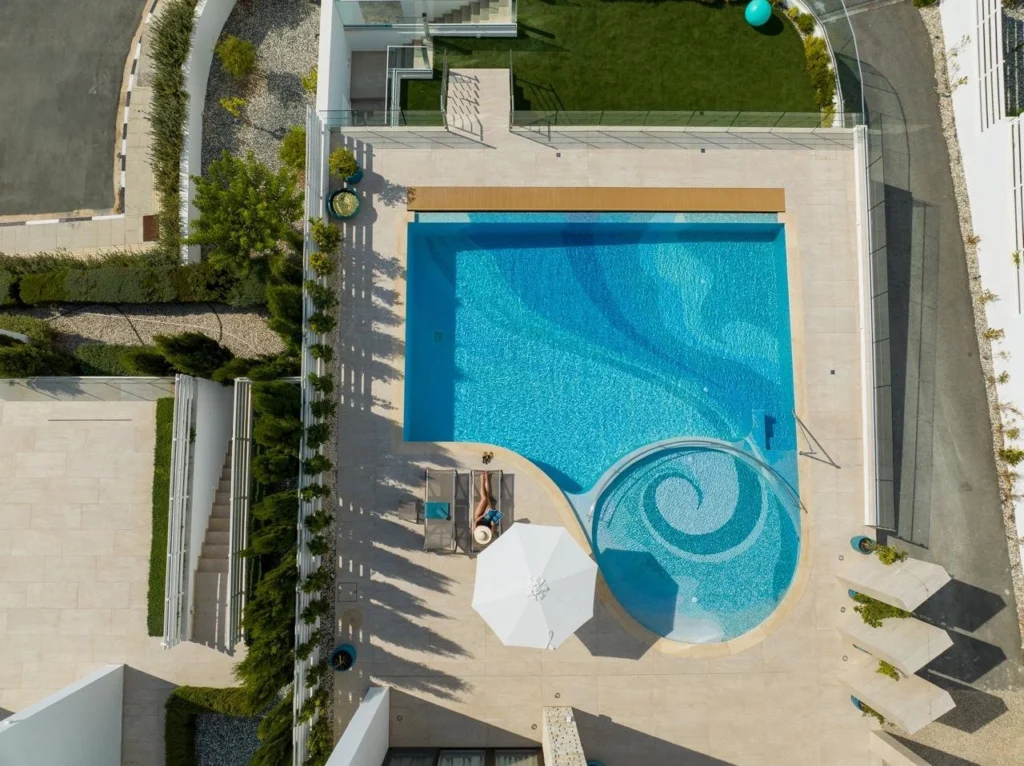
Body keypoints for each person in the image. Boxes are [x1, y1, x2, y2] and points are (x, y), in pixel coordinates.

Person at [474, 471, 501, 535]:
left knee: (484, 498)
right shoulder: (490, 533)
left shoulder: (476, 532)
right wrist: (492, 521)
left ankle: (482, 480)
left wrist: (483, 515)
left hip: (478, 516)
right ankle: (486, 477)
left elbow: (475, 522)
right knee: (487, 496)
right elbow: (493, 524)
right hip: (488, 517)